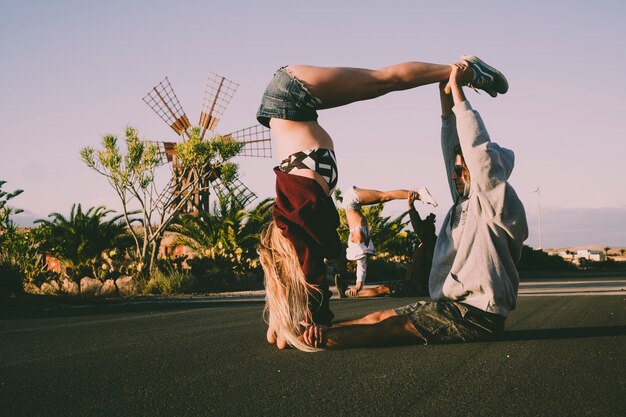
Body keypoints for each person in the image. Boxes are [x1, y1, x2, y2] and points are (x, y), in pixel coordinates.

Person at [257, 56, 510, 351]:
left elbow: (311, 275)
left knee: (385, 80)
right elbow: (283, 320)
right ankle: (453, 76)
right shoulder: (295, 224)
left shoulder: (298, 225)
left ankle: (461, 70)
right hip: (288, 103)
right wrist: (290, 320)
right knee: (385, 81)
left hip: (290, 93)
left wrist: (309, 318)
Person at [335, 189, 437, 298]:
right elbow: (419, 227)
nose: (417, 234)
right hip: (414, 285)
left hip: (416, 287)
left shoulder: (430, 243)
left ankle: (346, 292)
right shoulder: (427, 244)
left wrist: (411, 207)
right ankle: (346, 292)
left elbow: (418, 226)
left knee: (380, 289)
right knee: (385, 196)